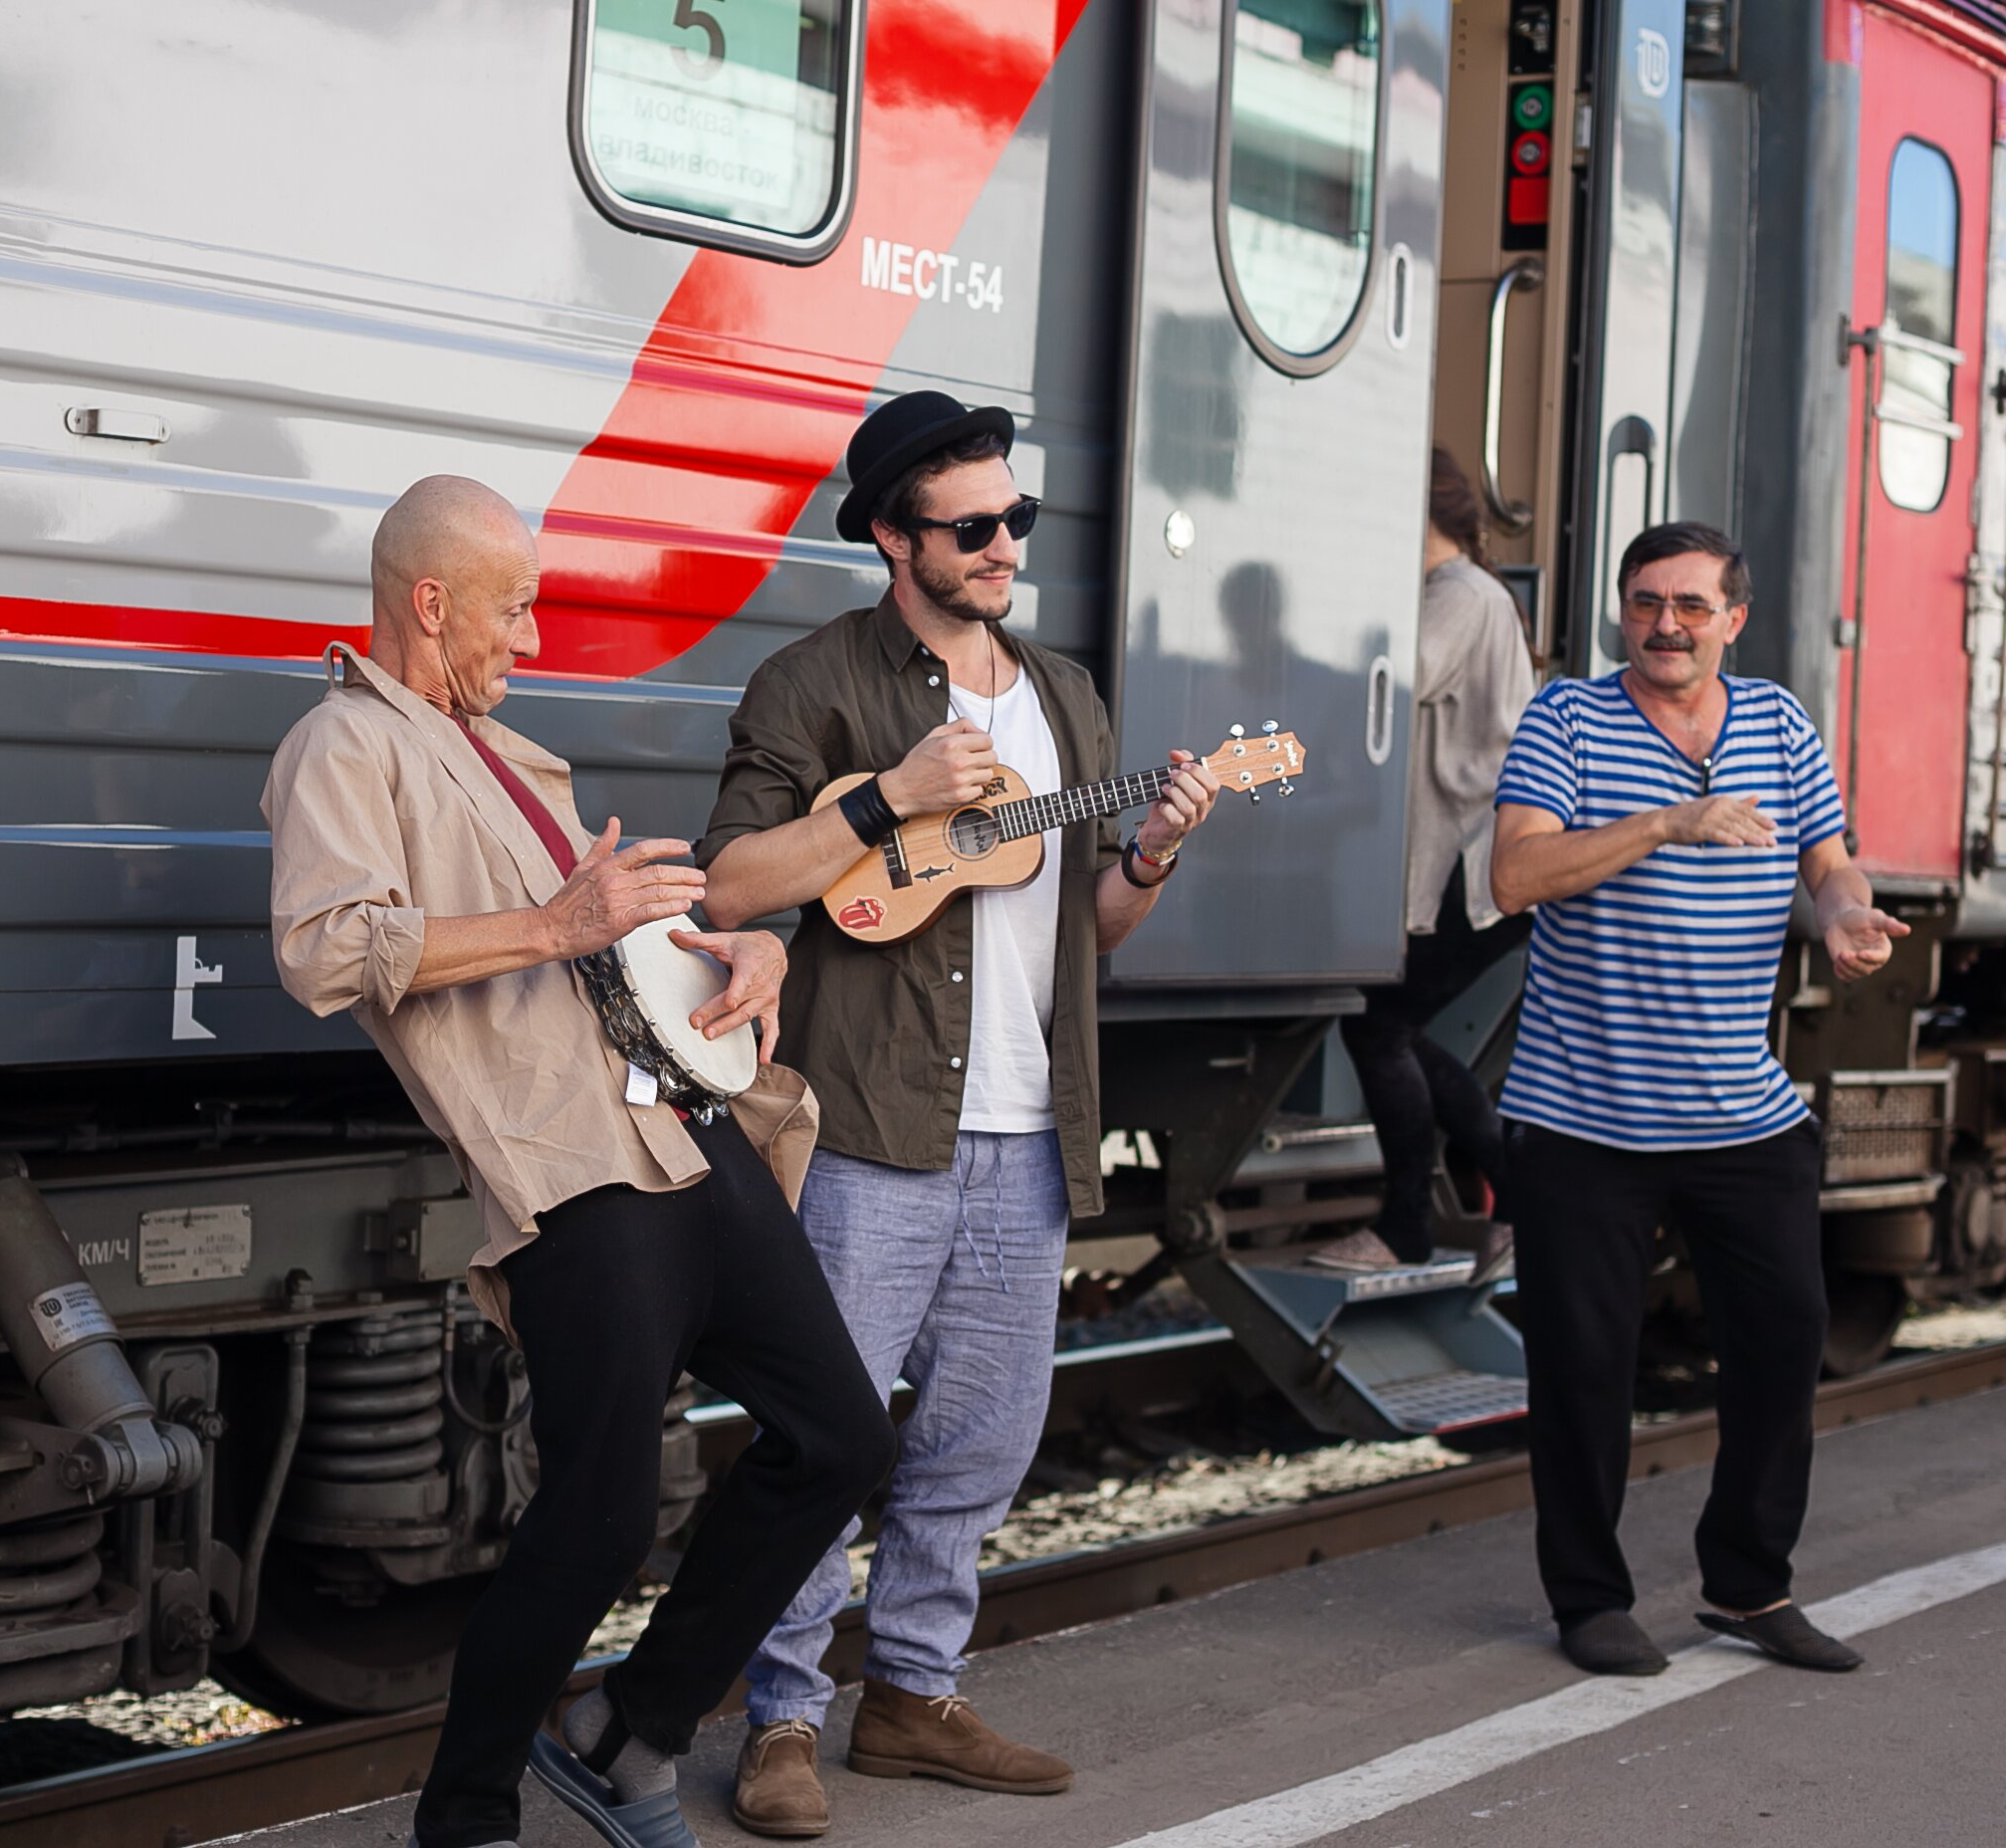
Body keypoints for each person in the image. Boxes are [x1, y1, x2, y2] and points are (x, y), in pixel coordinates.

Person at [264, 477, 897, 1848]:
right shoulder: (341, 749)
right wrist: (554, 921)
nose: (531, 637)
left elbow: (607, 941)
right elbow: (324, 949)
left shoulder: (509, 751)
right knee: (601, 1512)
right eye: (513, 607)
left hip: (683, 1129)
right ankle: (469, 1814)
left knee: (842, 1436)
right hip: (569, 1173)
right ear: (430, 604)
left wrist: (741, 951)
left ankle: (627, 1733)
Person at [695, 391, 1221, 1838]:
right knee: (827, 1433)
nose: (1003, 547)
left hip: (1026, 1131)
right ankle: (784, 1718)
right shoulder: (812, 684)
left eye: (1016, 521)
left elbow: (1088, 938)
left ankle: (916, 1694)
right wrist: (886, 806)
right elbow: (729, 885)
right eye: (971, 527)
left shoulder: (1064, 698)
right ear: (889, 536)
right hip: (867, 1127)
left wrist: (1157, 856)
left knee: (979, 1443)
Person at [1488, 521, 1905, 1680]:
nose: (1664, 623)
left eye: (1689, 604)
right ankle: (1589, 1598)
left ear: (1735, 617)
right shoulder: (1567, 718)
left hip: (1743, 1115)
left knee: (1785, 1340)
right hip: (1583, 1117)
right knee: (1584, 1367)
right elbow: (1516, 874)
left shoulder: (1777, 723)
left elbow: (1826, 857)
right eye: (1644, 601)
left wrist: (1844, 917)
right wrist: (1669, 821)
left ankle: (1749, 1582)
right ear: (1622, 610)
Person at [1311, 446, 1537, 1278]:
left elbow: (1389, 680)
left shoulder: (1460, 595)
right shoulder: (1467, 592)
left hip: (1469, 865)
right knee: (1387, 1026)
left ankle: (1413, 1222)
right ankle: (1507, 1200)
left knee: (1378, 1026)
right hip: (1464, 860)